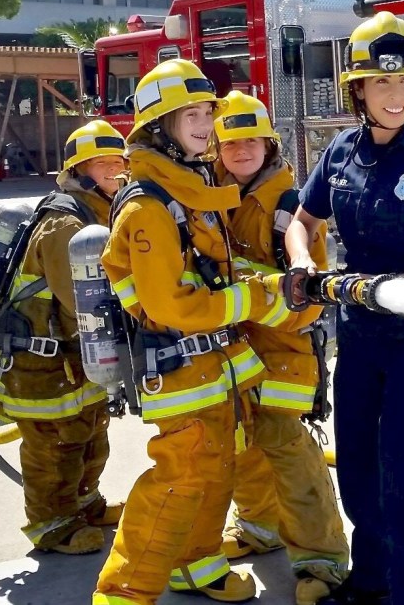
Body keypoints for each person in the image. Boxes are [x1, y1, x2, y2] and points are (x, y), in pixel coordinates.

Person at [284, 11, 404, 605]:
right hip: (360, 339)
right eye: (382, 83)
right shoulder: (341, 152)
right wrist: (302, 263)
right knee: (359, 475)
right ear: (359, 91)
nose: (396, 96)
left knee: (403, 477)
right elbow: (303, 220)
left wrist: (387, 286)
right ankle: (370, 584)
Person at [93, 59, 290, 604]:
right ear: (160, 127)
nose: (207, 125)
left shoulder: (190, 192)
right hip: (178, 369)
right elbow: (169, 304)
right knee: (177, 483)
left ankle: (196, 568)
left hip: (210, 367)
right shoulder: (149, 208)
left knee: (216, 471)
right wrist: (250, 298)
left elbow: (212, 274)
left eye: (208, 112)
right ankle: (123, 592)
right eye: (192, 115)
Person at [214, 90, 349, 605]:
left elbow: (308, 299)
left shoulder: (288, 204)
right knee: (241, 440)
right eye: (231, 142)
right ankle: (258, 527)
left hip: (283, 348)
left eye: (252, 141)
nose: (242, 150)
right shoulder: (213, 195)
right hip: (233, 345)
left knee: (291, 452)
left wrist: (239, 287)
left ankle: (323, 560)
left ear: (268, 145)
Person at [0, 120, 127, 554]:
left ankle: (84, 503)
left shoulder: (101, 212)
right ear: (79, 170)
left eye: (119, 162)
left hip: (77, 356)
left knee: (90, 433)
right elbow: (78, 300)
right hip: (42, 362)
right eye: (102, 164)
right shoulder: (64, 224)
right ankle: (51, 524)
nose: (114, 171)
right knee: (54, 447)